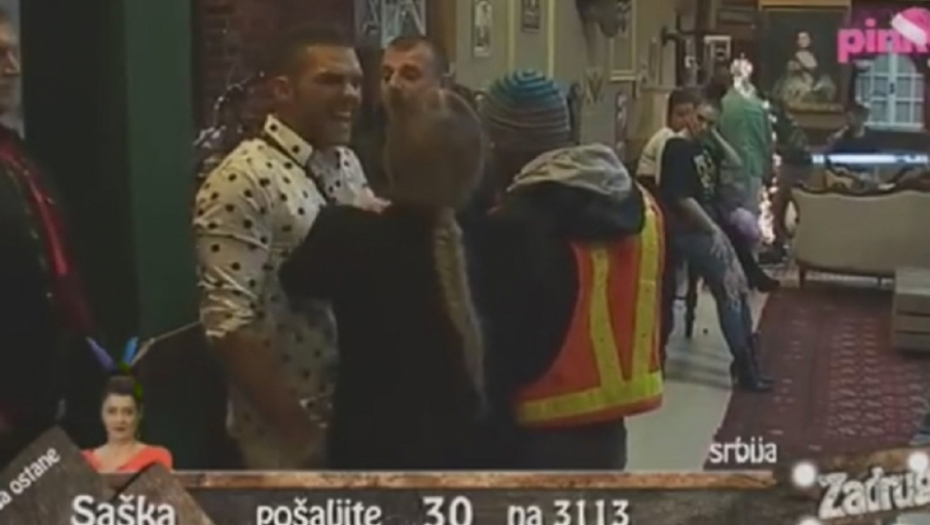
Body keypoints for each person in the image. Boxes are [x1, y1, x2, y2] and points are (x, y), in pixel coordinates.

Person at [192, 25, 378, 470]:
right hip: (283, 442)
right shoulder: (242, 179)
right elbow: (229, 328)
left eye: (355, 82)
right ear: (282, 90)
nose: (350, 95)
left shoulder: (345, 161)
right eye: (330, 80)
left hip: (349, 420)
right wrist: (300, 434)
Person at [279, 87, 487, 469]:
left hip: (370, 449)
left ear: (390, 158)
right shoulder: (486, 239)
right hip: (463, 453)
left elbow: (294, 277)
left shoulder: (349, 234)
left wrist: (356, 208)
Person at [468, 70, 664, 469]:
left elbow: (497, 353)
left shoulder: (513, 226)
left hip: (529, 440)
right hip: (609, 438)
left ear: (500, 143)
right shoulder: (642, 207)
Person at [0, 7, 103, 468]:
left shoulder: (20, 157)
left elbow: (61, 273)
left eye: (13, 54)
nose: (12, 68)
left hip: (49, 394)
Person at [659, 99, 773, 392]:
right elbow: (681, 198)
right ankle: (745, 369)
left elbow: (735, 163)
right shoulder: (677, 148)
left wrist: (714, 136)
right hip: (692, 228)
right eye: (700, 119)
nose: (703, 126)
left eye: (711, 123)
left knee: (739, 288)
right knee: (729, 291)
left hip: (710, 223)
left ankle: (747, 363)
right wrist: (713, 231)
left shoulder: (703, 146)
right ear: (690, 115)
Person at [82, 375, 172, 473]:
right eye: (112, 412)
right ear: (102, 413)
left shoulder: (157, 458)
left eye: (128, 412)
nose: (120, 420)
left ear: (139, 414)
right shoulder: (84, 460)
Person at [636, 88, 696, 194]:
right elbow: (661, 175)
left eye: (690, 115)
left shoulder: (687, 137)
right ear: (669, 116)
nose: (686, 120)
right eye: (680, 115)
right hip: (650, 188)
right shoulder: (666, 136)